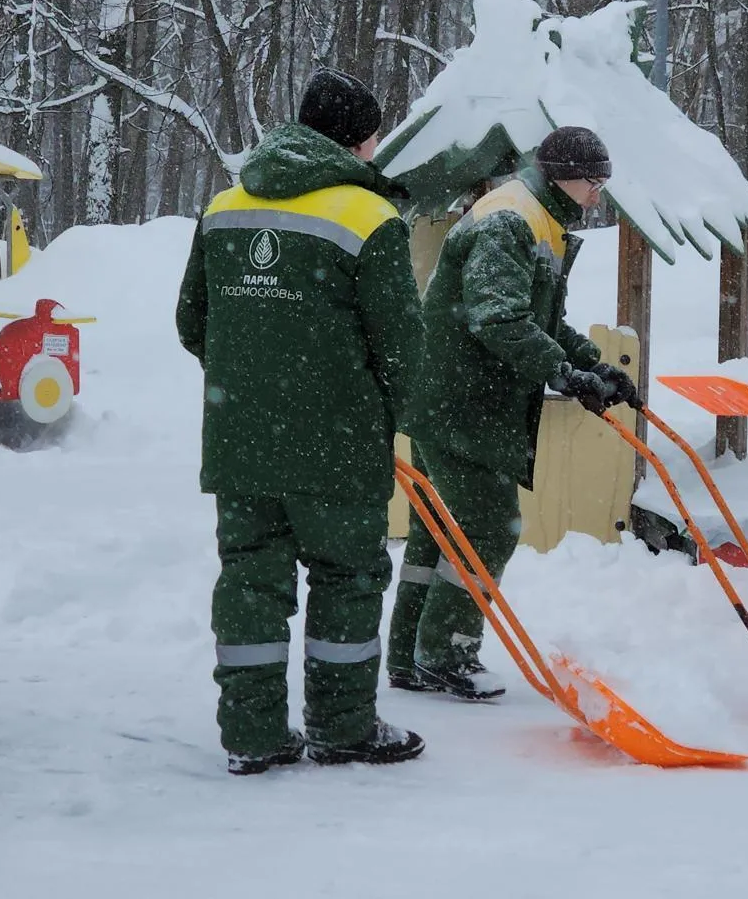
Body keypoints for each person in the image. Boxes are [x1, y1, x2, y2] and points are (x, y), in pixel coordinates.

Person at [176, 68, 426, 774]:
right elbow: (402, 345)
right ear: (354, 139)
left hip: (240, 442)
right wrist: (395, 414)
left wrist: (254, 384)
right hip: (337, 445)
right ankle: (341, 728)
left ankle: (252, 736)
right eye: (375, 136)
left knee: (250, 581)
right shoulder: (369, 216)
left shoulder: (224, 205)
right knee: (346, 578)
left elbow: (192, 321)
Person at [386, 126, 639, 701]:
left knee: (436, 530)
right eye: (593, 183)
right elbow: (497, 319)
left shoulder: (536, 220)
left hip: (451, 396)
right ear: (562, 176)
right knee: (486, 525)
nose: (597, 196)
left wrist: (594, 367)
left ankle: (410, 656)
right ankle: (446, 655)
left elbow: (542, 322)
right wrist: (562, 373)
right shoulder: (510, 220)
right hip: (461, 400)